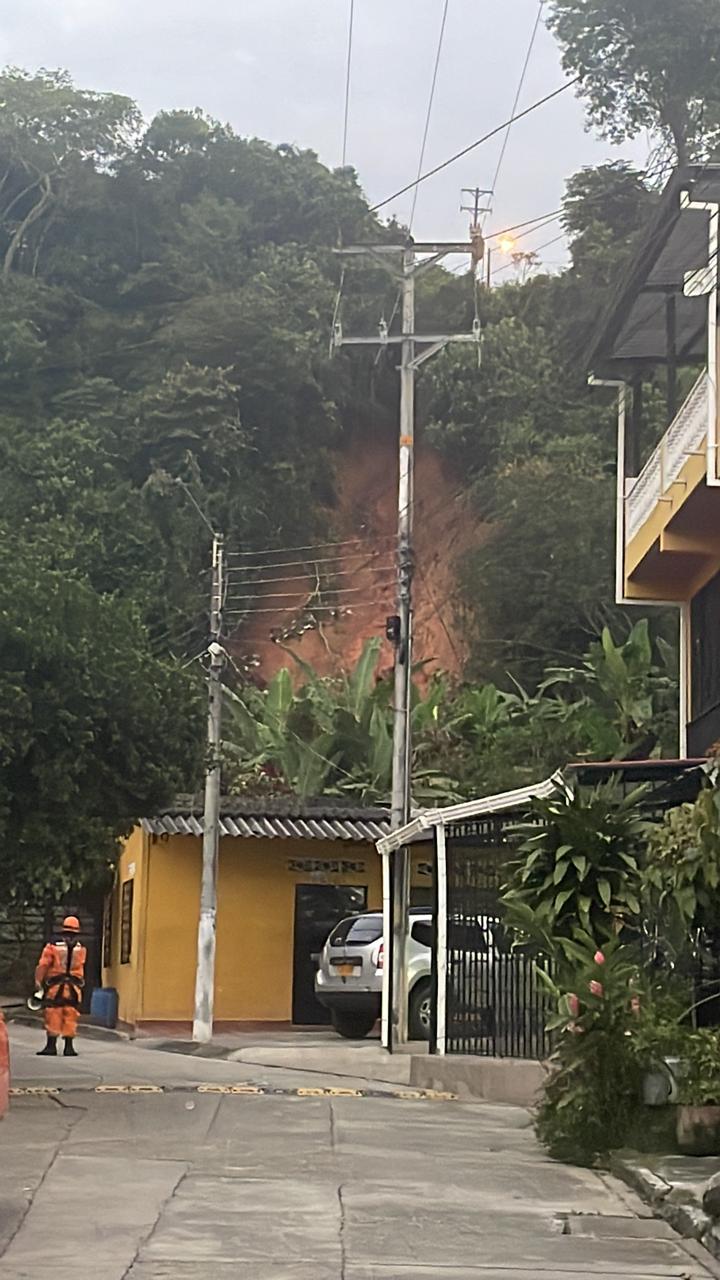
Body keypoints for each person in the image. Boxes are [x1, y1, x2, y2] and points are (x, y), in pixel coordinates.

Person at [34, 916, 86, 1057]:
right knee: (70, 1014)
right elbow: (81, 967)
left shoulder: (53, 947)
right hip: (74, 988)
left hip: (56, 986)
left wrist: (38, 982)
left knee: (53, 1013)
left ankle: (51, 1046)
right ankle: (69, 1047)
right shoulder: (81, 948)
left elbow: (43, 965)